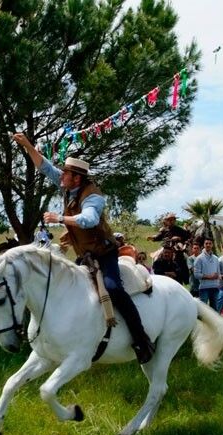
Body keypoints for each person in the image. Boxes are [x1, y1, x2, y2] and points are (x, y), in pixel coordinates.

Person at [13, 132, 154, 363]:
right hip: (85, 256)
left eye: (65, 173)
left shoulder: (93, 197)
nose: (61, 175)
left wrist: (60, 218)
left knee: (113, 289)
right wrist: (27, 145)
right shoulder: (68, 186)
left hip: (104, 254)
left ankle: (141, 339)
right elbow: (44, 167)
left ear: (76, 178)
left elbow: (89, 219)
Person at [193, 238, 221, 310]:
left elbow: (218, 273)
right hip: (204, 288)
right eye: (206, 243)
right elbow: (196, 275)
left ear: (212, 245)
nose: (208, 245)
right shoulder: (199, 258)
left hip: (215, 287)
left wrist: (218, 280)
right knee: (204, 310)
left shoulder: (216, 258)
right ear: (203, 245)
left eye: (210, 243)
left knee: (215, 309)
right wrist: (210, 277)